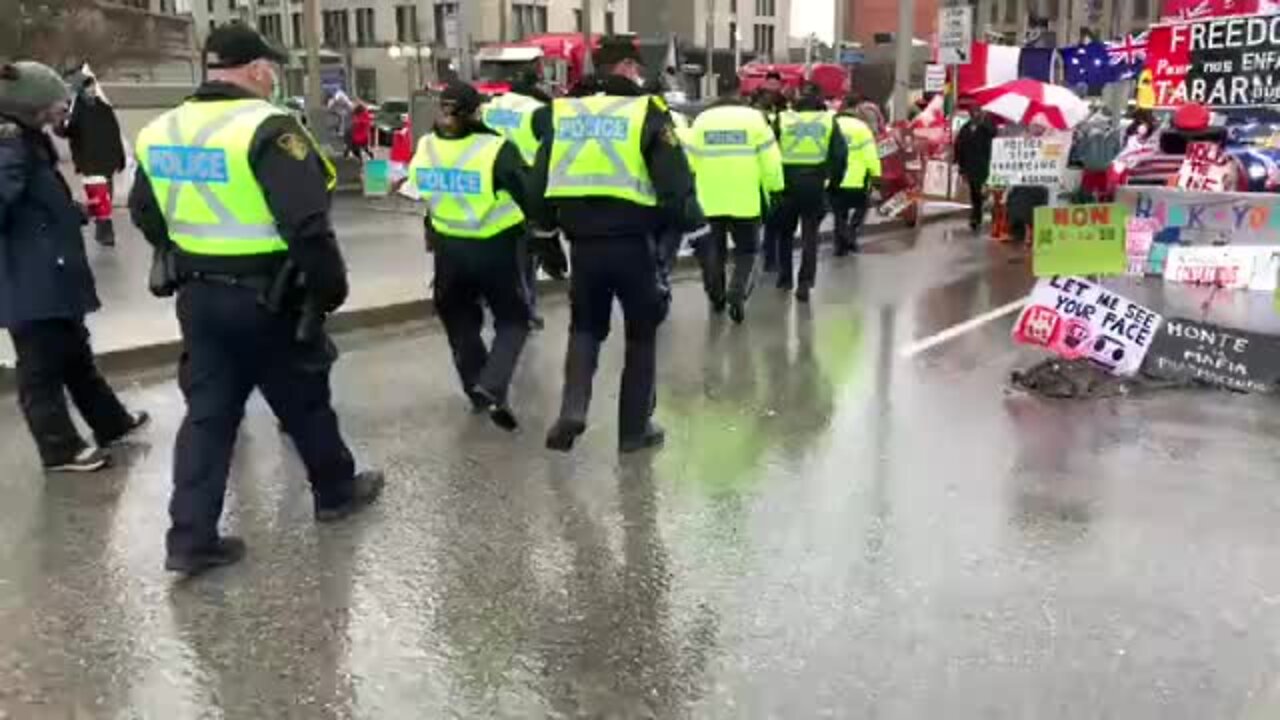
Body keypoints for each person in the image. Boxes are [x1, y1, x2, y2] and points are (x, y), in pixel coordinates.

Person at [128, 24, 384, 577]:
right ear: (256, 70)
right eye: (270, 68)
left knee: (208, 416)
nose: (271, 76)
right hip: (269, 293)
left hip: (198, 294)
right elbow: (306, 223)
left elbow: (144, 210)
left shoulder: (160, 129)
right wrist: (328, 288)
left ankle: (190, 537)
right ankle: (336, 492)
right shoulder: (267, 127)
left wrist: (178, 250)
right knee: (304, 397)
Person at [533, 38, 700, 454]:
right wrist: (685, 229)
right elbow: (675, 185)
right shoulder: (647, 111)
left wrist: (545, 235)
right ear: (627, 66)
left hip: (584, 245)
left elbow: (538, 182)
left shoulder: (564, 112)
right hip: (633, 244)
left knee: (585, 327)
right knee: (642, 335)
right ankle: (633, 430)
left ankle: (573, 407)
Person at [0, 61, 149, 473]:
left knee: (74, 355)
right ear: (30, 106)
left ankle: (110, 423)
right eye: (52, 103)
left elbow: (33, 199)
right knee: (40, 370)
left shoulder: (28, 143)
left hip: (49, 270)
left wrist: (69, 211)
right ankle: (59, 448)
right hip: (30, 276)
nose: (60, 109)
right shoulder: (10, 147)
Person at [411, 81, 539, 431]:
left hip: (448, 249)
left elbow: (418, 190)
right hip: (495, 246)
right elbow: (528, 194)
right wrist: (544, 231)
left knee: (459, 321)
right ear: (477, 112)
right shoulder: (496, 148)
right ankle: (493, 383)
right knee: (513, 319)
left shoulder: (427, 146)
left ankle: (475, 387)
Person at [685, 95, 784, 323]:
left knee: (714, 253)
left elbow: (689, 162)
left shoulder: (701, 121)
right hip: (745, 201)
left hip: (709, 201)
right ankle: (737, 292)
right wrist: (776, 189)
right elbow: (771, 161)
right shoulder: (755, 120)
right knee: (747, 252)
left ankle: (716, 296)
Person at [482, 69, 564, 330]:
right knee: (526, 253)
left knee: (505, 252)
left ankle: (510, 305)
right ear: (537, 84)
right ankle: (524, 309)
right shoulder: (538, 111)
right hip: (525, 183)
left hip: (491, 181)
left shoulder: (492, 105)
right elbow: (554, 149)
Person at [774, 85, 846, 302]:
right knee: (810, 235)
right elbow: (840, 155)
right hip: (814, 183)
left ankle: (784, 277)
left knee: (784, 234)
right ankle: (805, 282)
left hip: (786, 182)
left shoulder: (783, 120)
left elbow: (770, 151)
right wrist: (834, 183)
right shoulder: (828, 121)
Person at [59, 70, 127, 247]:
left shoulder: (104, 108)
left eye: (92, 87)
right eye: (88, 87)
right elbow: (67, 131)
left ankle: (102, 226)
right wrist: (59, 122)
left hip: (107, 158)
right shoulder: (76, 111)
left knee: (105, 194)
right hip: (89, 159)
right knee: (99, 193)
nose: (92, 90)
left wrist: (120, 157)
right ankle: (104, 229)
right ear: (81, 90)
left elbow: (114, 132)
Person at [831, 96, 881, 255]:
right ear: (856, 109)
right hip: (857, 179)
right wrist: (876, 175)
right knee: (862, 207)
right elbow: (870, 155)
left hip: (835, 178)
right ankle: (850, 234)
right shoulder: (862, 128)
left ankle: (840, 243)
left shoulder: (832, 125)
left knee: (839, 213)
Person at [954, 109, 997, 231]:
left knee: (986, 191)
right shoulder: (965, 128)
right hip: (970, 166)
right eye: (974, 110)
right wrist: (961, 167)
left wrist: (985, 123)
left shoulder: (988, 126)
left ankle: (987, 214)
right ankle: (976, 216)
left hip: (986, 165)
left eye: (979, 110)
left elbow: (994, 135)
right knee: (975, 193)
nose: (976, 113)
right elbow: (959, 146)